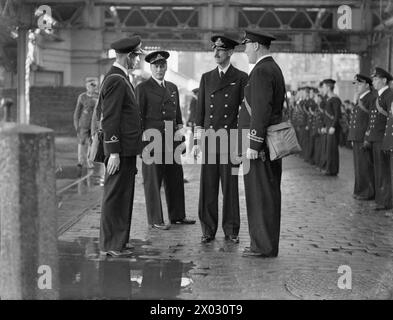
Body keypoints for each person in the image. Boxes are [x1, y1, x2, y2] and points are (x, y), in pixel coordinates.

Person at [193, 35, 248, 244]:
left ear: (231, 52)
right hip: (209, 139)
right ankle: (208, 229)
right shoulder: (206, 78)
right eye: (214, 49)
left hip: (230, 140)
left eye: (221, 50)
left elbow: (246, 114)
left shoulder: (241, 78)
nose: (216, 53)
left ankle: (231, 229)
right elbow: (200, 113)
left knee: (230, 187)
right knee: (208, 187)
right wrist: (197, 142)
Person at [238, 30, 285, 257]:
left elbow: (260, 111)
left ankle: (262, 246)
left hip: (261, 145)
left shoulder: (261, 71)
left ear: (256, 45)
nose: (244, 49)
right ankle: (264, 244)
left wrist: (253, 145)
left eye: (246, 45)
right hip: (268, 144)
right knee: (267, 193)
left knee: (260, 195)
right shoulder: (272, 68)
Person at [136, 50, 195, 230]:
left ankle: (177, 215)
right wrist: (141, 143)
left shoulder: (172, 88)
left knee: (175, 178)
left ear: (166, 67)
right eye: (156, 66)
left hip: (171, 140)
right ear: (150, 67)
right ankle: (155, 219)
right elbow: (137, 116)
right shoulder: (142, 88)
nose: (159, 69)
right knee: (153, 181)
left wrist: (180, 133)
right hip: (152, 141)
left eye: (162, 66)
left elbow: (177, 115)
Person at [99, 36, 144, 257]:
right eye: (136, 56)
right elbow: (110, 118)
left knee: (124, 195)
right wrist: (113, 151)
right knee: (115, 195)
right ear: (128, 56)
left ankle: (120, 241)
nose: (138, 60)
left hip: (127, 149)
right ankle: (110, 244)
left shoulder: (121, 78)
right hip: (120, 150)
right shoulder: (116, 79)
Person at [365, 67, 393, 211]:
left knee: (384, 171)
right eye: (373, 79)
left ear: (384, 80)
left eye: (376, 79)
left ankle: (385, 201)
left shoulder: (389, 95)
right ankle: (379, 199)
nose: (373, 82)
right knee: (378, 170)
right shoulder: (379, 96)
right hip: (376, 138)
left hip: (383, 139)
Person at [348, 74, 375, 200]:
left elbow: (372, 120)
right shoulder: (361, 98)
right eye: (355, 84)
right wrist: (353, 137)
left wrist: (367, 137)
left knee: (365, 166)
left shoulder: (370, 98)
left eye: (359, 84)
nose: (356, 87)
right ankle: (359, 190)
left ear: (367, 85)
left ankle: (367, 192)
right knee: (359, 167)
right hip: (357, 137)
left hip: (364, 138)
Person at [73, 78, 98, 168]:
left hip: (94, 125)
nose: (92, 87)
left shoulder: (98, 97)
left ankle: (89, 161)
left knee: (91, 143)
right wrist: (76, 125)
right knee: (81, 142)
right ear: (87, 87)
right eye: (91, 86)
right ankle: (80, 161)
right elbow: (77, 112)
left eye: (94, 86)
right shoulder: (82, 97)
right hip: (83, 124)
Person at [321, 79, 341, 176]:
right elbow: (325, 115)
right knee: (328, 149)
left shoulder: (335, 99)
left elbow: (337, 115)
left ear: (328, 87)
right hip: (328, 127)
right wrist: (324, 126)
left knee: (332, 149)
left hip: (333, 128)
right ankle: (328, 168)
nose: (323, 89)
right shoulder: (328, 99)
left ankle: (332, 169)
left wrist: (333, 126)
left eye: (324, 87)